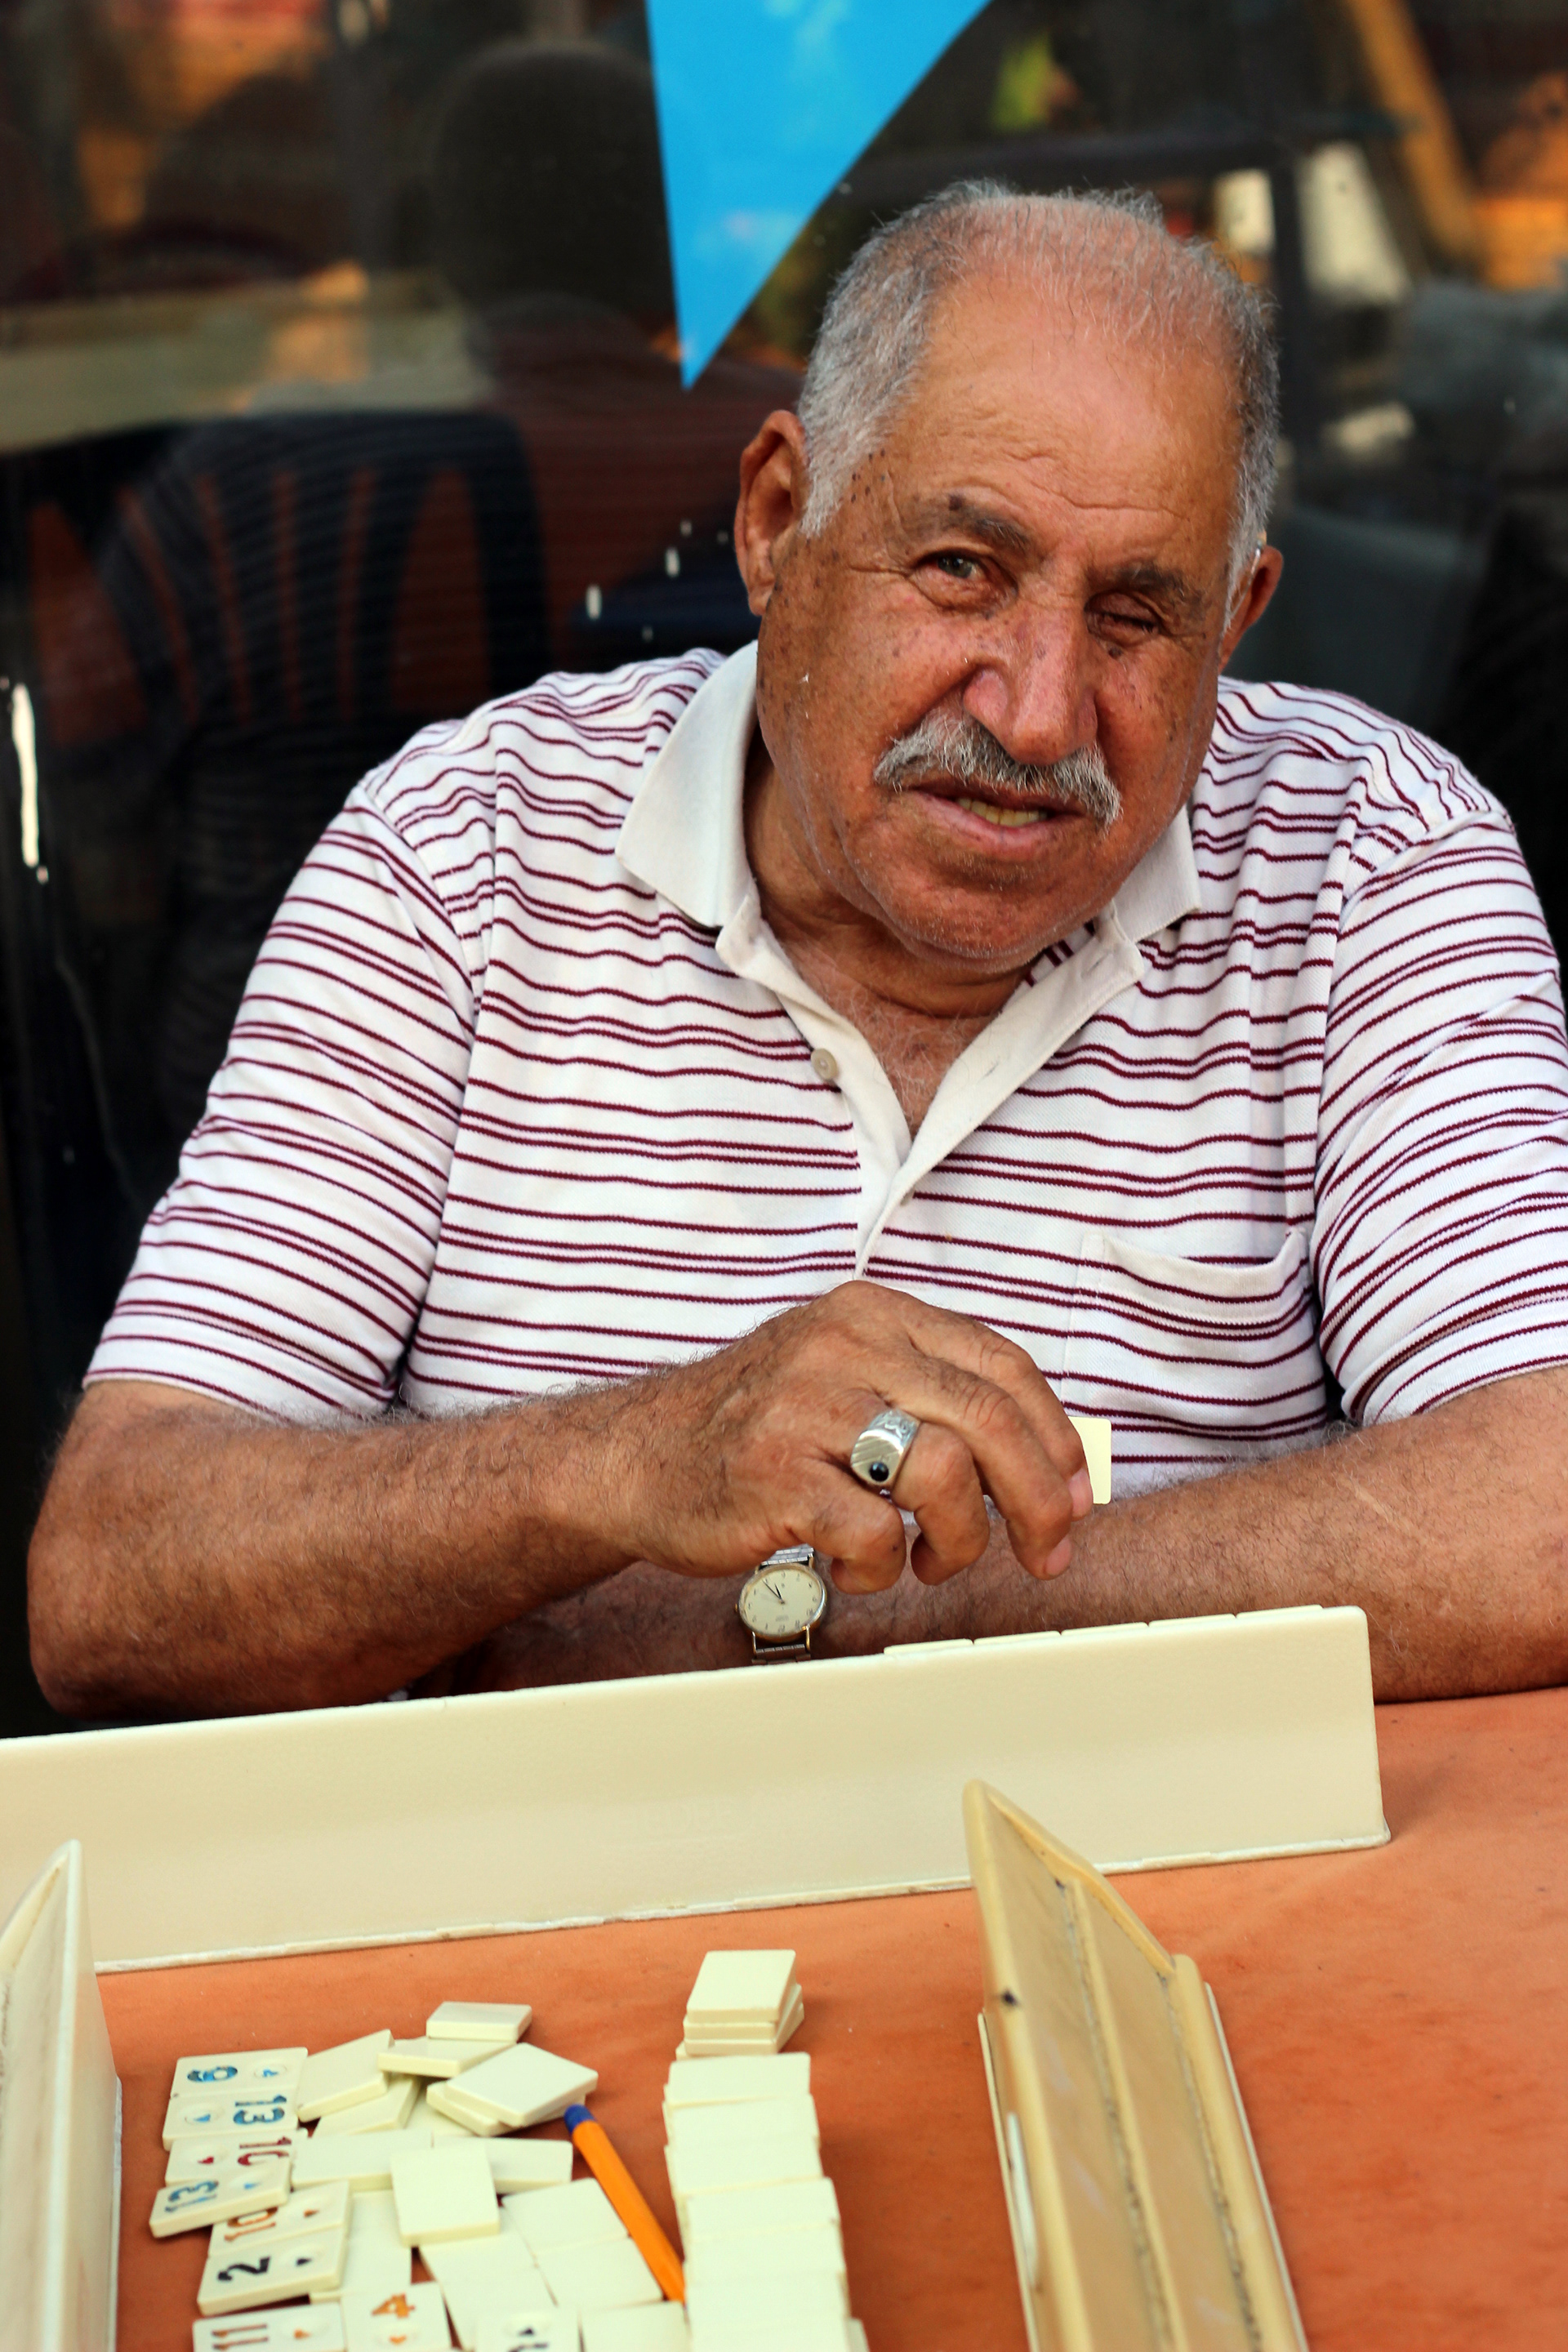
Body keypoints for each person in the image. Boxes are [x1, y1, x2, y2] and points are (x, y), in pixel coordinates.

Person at [29, 185, 1568, 1719]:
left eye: (1136, 617)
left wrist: (814, 1622)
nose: (1040, 714)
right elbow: (112, 1576)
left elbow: (1541, 1517)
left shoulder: (1367, 855)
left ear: (1236, 620)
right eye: (962, 567)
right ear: (777, 522)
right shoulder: (466, 851)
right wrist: (630, 1461)